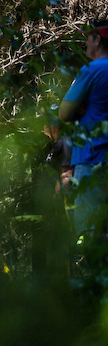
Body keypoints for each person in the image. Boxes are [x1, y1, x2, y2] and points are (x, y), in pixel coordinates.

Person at [57, 18, 108, 238]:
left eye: (87, 37)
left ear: (97, 39)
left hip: (91, 157)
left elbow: (63, 112)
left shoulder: (92, 69)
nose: (85, 42)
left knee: (90, 232)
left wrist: (79, 107)